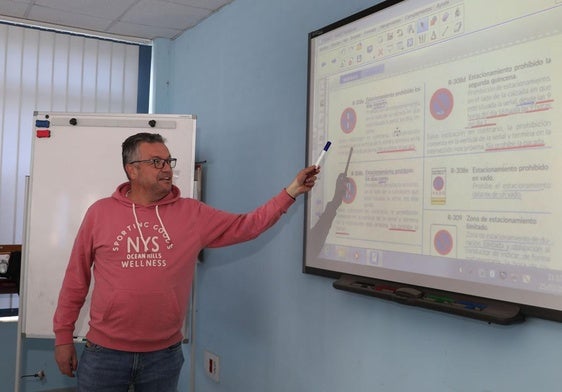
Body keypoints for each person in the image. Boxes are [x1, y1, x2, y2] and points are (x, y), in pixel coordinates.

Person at [53, 132, 319, 391]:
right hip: (105, 354)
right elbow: (76, 278)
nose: (167, 169)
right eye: (156, 162)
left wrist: (292, 190)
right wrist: (63, 338)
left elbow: (248, 225)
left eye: (169, 161)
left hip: (162, 357)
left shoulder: (192, 214)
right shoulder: (100, 213)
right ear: (132, 170)